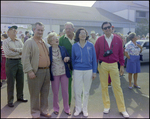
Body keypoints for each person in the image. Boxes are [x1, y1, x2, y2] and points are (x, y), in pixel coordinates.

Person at [95, 21, 129, 118]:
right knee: (104, 86)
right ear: (102, 30)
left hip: (114, 64)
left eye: (109, 27)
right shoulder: (99, 40)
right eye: (105, 28)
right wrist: (95, 68)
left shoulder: (118, 39)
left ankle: (122, 109)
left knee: (117, 87)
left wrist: (122, 66)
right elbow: (96, 53)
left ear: (111, 28)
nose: (107, 29)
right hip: (103, 65)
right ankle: (106, 106)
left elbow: (121, 54)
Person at [21, 22, 51, 118]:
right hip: (36, 72)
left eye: (42, 30)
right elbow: (25, 58)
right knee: (34, 94)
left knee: (45, 93)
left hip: (46, 71)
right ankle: (35, 113)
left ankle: (43, 110)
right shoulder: (29, 42)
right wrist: (30, 71)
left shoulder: (43, 42)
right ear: (34, 30)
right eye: (38, 30)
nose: (40, 32)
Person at [72, 27, 97, 117]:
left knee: (86, 91)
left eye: (84, 33)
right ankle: (78, 108)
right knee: (77, 91)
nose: (83, 34)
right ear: (78, 35)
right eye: (81, 33)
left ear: (86, 35)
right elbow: (73, 60)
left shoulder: (90, 45)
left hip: (88, 70)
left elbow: (94, 59)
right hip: (78, 70)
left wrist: (94, 71)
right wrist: (75, 69)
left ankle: (85, 108)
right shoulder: (74, 46)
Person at [2, 26, 28, 108]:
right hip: (10, 62)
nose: (15, 32)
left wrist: (15, 50)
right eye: (13, 31)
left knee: (20, 81)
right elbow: (8, 53)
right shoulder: (5, 41)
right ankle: (10, 100)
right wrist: (19, 51)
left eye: (16, 31)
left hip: (19, 61)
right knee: (11, 82)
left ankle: (20, 97)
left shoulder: (19, 40)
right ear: (8, 32)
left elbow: (24, 50)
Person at [47, 32, 71, 116]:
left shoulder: (63, 48)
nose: (56, 39)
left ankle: (67, 108)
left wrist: (68, 58)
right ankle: (56, 108)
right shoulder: (48, 50)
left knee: (65, 91)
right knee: (55, 92)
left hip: (64, 72)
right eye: (54, 38)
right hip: (54, 74)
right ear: (50, 42)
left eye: (57, 37)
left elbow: (68, 57)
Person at [59, 22, 75, 106]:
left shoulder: (78, 37)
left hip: (78, 65)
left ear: (73, 29)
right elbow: (60, 52)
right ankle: (67, 103)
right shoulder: (61, 39)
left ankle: (79, 104)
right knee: (67, 85)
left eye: (69, 28)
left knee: (78, 85)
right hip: (67, 66)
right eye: (66, 29)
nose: (68, 30)